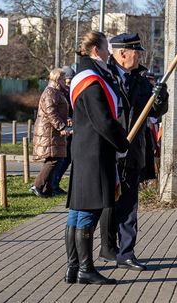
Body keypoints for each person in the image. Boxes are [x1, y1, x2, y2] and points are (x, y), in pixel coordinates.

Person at [64, 31, 129, 285]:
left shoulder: (87, 75)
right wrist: (122, 142)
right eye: (106, 47)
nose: (109, 52)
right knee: (88, 211)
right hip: (94, 151)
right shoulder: (91, 80)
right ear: (95, 50)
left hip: (85, 149)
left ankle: (73, 268)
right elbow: (102, 120)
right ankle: (85, 269)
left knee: (78, 212)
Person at [99, 33, 168, 272]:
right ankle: (108, 248)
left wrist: (161, 96)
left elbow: (155, 113)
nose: (139, 57)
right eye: (136, 53)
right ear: (121, 54)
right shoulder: (103, 77)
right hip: (109, 149)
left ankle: (126, 252)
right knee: (107, 203)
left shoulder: (142, 79)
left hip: (133, 151)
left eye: (140, 53)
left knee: (129, 205)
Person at [31, 68, 71, 197]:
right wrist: (61, 127)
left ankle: (47, 189)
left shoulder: (57, 92)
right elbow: (51, 112)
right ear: (57, 79)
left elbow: (58, 111)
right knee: (53, 159)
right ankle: (37, 185)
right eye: (63, 79)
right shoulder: (50, 92)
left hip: (53, 131)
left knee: (56, 158)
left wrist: (67, 120)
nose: (65, 81)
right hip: (49, 131)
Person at [49, 66, 76, 195]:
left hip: (70, 128)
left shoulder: (71, 91)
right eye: (65, 80)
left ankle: (54, 183)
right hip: (62, 129)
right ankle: (52, 184)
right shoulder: (58, 92)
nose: (67, 84)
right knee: (61, 158)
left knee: (66, 158)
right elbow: (54, 112)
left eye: (70, 81)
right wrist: (67, 119)